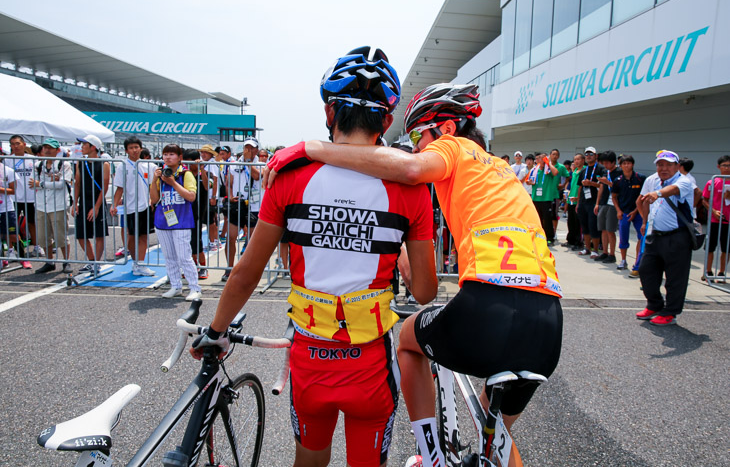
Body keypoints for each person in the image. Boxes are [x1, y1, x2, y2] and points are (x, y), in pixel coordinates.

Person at [267, 83, 563, 467]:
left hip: (491, 302)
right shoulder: (503, 169)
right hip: (548, 321)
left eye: (416, 135)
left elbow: (409, 169)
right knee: (496, 437)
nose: (417, 146)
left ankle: (431, 456)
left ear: (445, 128)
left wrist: (310, 148)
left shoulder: (453, 147)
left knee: (408, 342)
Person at [192, 46, 437, 467]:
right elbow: (425, 291)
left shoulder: (289, 176)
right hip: (371, 365)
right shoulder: (412, 190)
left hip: (310, 360)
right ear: (387, 121)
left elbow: (248, 273)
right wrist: (396, 255)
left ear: (329, 114)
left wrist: (216, 331)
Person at [636, 150, 694, 326]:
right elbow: (644, 200)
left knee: (675, 277)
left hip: (677, 236)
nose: (664, 168)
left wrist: (658, 193)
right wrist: (645, 222)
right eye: (660, 164)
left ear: (677, 166)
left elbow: (672, 190)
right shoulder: (652, 180)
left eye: (669, 165)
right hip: (656, 235)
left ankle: (670, 312)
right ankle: (654, 305)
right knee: (646, 271)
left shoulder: (683, 181)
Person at [150, 144, 201, 301]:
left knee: (184, 256)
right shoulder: (160, 175)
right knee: (169, 256)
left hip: (182, 221)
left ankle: (194, 288)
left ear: (180, 157)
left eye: (172, 154)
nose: (167, 157)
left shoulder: (185, 174)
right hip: (163, 220)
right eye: (165, 154)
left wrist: (173, 183)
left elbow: (191, 196)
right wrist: (154, 179)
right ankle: (176, 286)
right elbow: (154, 199)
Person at [109, 136, 156, 277]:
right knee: (131, 237)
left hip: (146, 207)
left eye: (136, 147)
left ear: (141, 148)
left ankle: (140, 263)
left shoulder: (149, 165)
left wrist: (152, 200)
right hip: (130, 207)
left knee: (143, 236)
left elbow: (156, 182)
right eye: (131, 148)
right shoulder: (122, 166)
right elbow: (119, 188)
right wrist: (114, 204)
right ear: (126, 150)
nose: (134, 150)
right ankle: (136, 262)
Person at [31, 139, 73, 274]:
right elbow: (32, 183)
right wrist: (49, 182)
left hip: (59, 205)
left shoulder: (64, 164)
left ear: (57, 150)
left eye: (51, 148)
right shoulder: (38, 165)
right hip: (41, 204)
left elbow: (61, 184)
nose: (48, 150)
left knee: (61, 236)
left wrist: (42, 183)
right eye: (46, 147)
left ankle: (66, 261)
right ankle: (49, 262)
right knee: (44, 236)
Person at [221, 138, 260, 281]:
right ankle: (229, 268)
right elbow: (229, 183)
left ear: (256, 150)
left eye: (252, 148)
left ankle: (246, 269)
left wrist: (248, 163)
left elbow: (256, 176)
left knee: (251, 240)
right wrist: (230, 196)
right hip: (237, 204)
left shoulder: (260, 164)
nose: (249, 150)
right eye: (246, 147)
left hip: (254, 205)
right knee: (231, 237)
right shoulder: (234, 164)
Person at [73, 135, 110, 274]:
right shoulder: (81, 162)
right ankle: (92, 260)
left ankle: (96, 263)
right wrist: (75, 203)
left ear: (93, 147)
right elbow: (77, 183)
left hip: (97, 201)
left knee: (99, 234)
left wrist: (96, 206)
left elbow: (104, 187)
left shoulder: (104, 164)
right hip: (83, 201)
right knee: (81, 234)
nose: (81, 147)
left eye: (84, 144)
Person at [611, 154, 646, 273]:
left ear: (633, 164)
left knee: (641, 237)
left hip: (638, 214)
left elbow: (643, 198)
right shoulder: (618, 181)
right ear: (620, 166)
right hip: (624, 213)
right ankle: (623, 260)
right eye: (624, 163)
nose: (626, 165)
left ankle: (638, 262)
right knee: (623, 238)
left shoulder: (641, 178)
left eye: (629, 163)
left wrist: (636, 211)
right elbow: (614, 197)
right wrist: (619, 211)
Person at [7, 135, 36, 268]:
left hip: (30, 197)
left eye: (18, 143)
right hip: (14, 198)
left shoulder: (33, 159)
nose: (15, 146)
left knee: (32, 223)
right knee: (12, 226)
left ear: (24, 144)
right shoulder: (7, 160)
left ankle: (36, 247)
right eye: (13, 144)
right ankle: (12, 250)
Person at [701, 155, 730, 281]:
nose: (727, 168)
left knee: (726, 248)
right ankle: (707, 271)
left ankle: (722, 273)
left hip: (728, 221)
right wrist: (713, 211)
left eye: (729, 166)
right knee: (710, 247)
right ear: (719, 167)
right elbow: (704, 200)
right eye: (724, 165)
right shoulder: (712, 181)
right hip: (714, 220)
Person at [183, 148, 210, 280]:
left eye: (191, 162)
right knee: (186, 243)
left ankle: (203, 267)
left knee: (197, 241)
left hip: (198, 212)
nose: (188, 165)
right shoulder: (183, 174)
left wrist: (202, 168)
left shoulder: (203, 174)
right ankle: (192, 267)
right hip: (184, 213)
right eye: (185, 162)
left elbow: (206, 186)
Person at [576, 146, 604, 258]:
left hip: (594, 202)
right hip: (583, 201)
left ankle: (595, 249)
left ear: (596, 156)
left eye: (591, 154)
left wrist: (592, 183)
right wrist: (578, 203)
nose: (588, 156)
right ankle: (586, 248)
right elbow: (579, 187)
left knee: (593, 226)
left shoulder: (600, 169)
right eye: (586, 154)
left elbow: (603, 185)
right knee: (585, 226)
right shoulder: (584, 170)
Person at [593, 151, 620, 264]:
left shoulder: (619, 172)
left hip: (613, 204)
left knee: (610, 230)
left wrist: (608, 182)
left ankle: (612, 254)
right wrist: (597, 203)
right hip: (604, 202)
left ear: (613, 162)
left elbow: (620, 188)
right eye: (604, 163)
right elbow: (601, 188)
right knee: (603, 229)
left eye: (607, 163)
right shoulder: (605, 172)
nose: (605, 165)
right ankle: (604, 252)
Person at [199, 144, 221, 252]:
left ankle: (213, 242)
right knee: (211, 220)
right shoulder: (207, 164)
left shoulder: (212, 164)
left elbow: (215, 181)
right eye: (202, 152)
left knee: (210, 221)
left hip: (210, 196)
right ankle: (215, 241)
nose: (203, 154)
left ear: (210, 154)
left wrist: (213, 196)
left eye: (205, 152)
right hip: (208, 196)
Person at [564, 153, 585, 250]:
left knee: (578, 223)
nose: (576, 161)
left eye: (578, 159)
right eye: (575, 159)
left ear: (583, 160)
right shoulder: (575, 171)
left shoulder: (584, 171)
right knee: (571, 221)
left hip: (579, 201)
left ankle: (578, 242)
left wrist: (578, 198)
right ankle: (570, 240)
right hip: (571, 200)